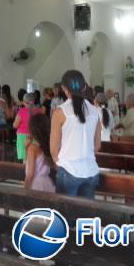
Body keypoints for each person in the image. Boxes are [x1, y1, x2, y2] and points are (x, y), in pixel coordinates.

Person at [51, 70, 101, 199]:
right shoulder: (95, 111)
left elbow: (53, 149)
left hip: (68, 170)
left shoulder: (60, 112)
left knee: (66, 216)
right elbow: (97, 146)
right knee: (86, 216)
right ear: (84, 87)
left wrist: (61, 163)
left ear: (63, 88)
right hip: (91, 171)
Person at [24, 114, 55, 192]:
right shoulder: (47, 146)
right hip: (47, 182)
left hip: (35, 185)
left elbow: (30, 174)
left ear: (32, 130)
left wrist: (25, 190)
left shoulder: (32, 148)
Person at [13, 93, 42, 161]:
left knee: (25, 158)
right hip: (35, 135)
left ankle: (27, 171)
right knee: (35, 157)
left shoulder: (21, 111)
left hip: (23, 136)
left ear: (24, 102)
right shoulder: (38, 111)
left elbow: (15, 125)